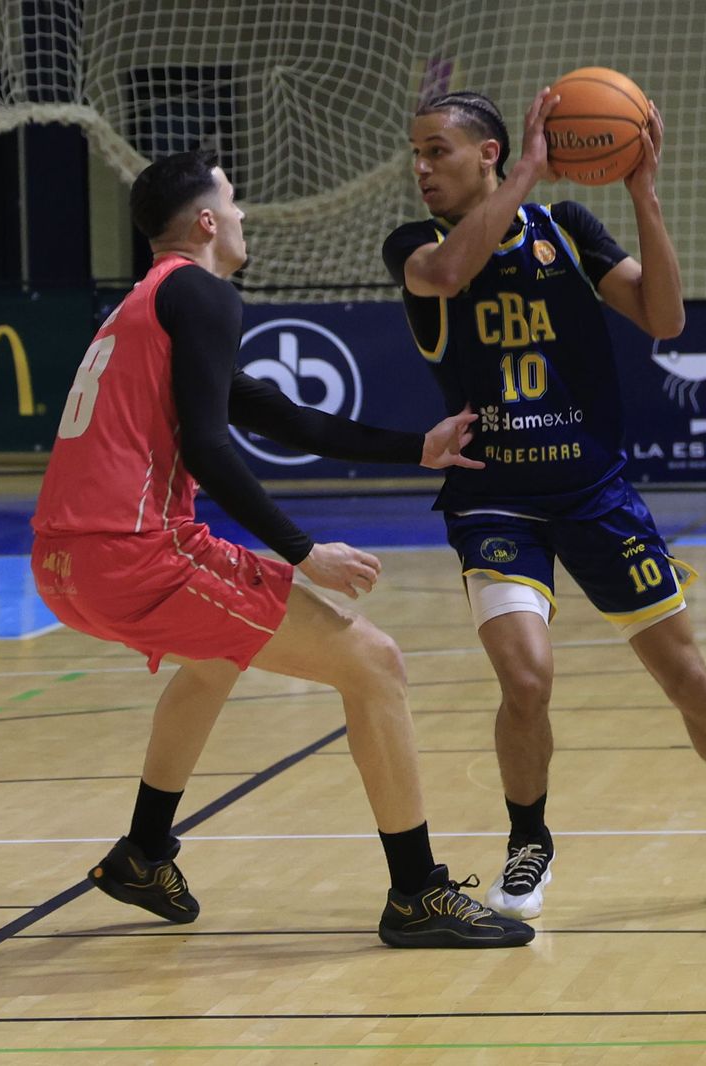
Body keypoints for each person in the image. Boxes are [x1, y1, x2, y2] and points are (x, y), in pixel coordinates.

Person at [31, 150, 533, 949]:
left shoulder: (149, 302)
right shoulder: (200, 292)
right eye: (230, 202)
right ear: (204, 222)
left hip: (63, 561)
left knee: (214, 659)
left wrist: (417, 448)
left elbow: (270, 411)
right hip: (132, 550)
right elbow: (207, 445)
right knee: (375, 663)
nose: (240, 215)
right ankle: (417, 895)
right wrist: (303, 552)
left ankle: (144, 853)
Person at [381, 89, 706, 919]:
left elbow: (664, 317)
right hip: (494, 501)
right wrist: (529, 167)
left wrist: (641, 195)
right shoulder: (416, 246)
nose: (421, 168)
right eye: (416, 153)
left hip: (594, 492)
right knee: (526, 679)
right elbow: (453, 274)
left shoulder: (567, 229)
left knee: (688, 677)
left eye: (437, 151)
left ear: (484, 153)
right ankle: (529, 843)